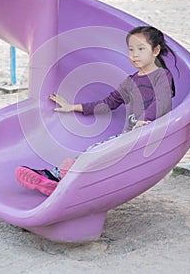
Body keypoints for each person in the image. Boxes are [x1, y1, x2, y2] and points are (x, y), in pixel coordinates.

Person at [15, 26, 176, 196]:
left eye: (141, 49)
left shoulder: (161, 75)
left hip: (150, 135)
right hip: (130, 136)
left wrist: (143, 122)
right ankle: (57, 180)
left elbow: (162, 101)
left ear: (156, 50)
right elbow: (108, 103)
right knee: (95, 151)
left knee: (96, 152)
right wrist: (73, 106)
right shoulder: (131, 81)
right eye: (131, 50)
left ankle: (60, 177)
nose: (135, 54)